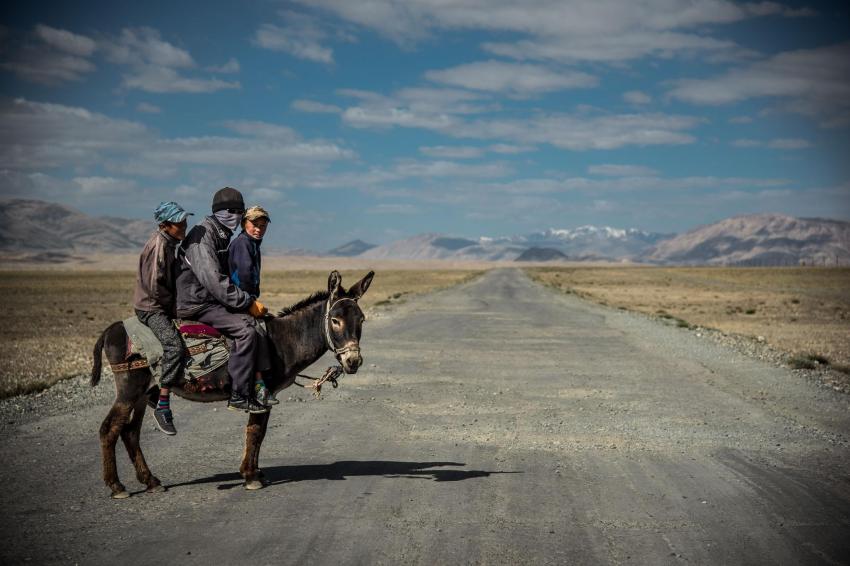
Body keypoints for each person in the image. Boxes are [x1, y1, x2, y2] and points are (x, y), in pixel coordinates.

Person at [175, 187, 269, 414]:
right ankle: (239, 394)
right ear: (218, 212)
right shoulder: (202, 237)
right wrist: (246, 302)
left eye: (239, 211)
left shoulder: (222, 234)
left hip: (209, 300)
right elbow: (214, 281)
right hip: (197, 304)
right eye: (231, 211)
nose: (235, 216)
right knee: (246, 330)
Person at [134, 201, 192, 435]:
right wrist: (174, 308)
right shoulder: (159, 246)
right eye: (180, 223)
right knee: (174, 346)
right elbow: (154, 288)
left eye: (185, 222)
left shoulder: (170, 243)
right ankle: (163, 404)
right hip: (151, 307)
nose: (185, 227)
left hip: (160, 303)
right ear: (166, 225)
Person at [229, 205, 278, 407]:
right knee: (255, 332)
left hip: (246, 299)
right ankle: (257, 385)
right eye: (254, 225)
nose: (258, 229)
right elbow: (244, 277)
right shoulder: (242, 244)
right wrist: (249, 302)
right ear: (243, 223)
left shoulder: (252, 244)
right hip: (238, 300)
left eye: (262, 226)